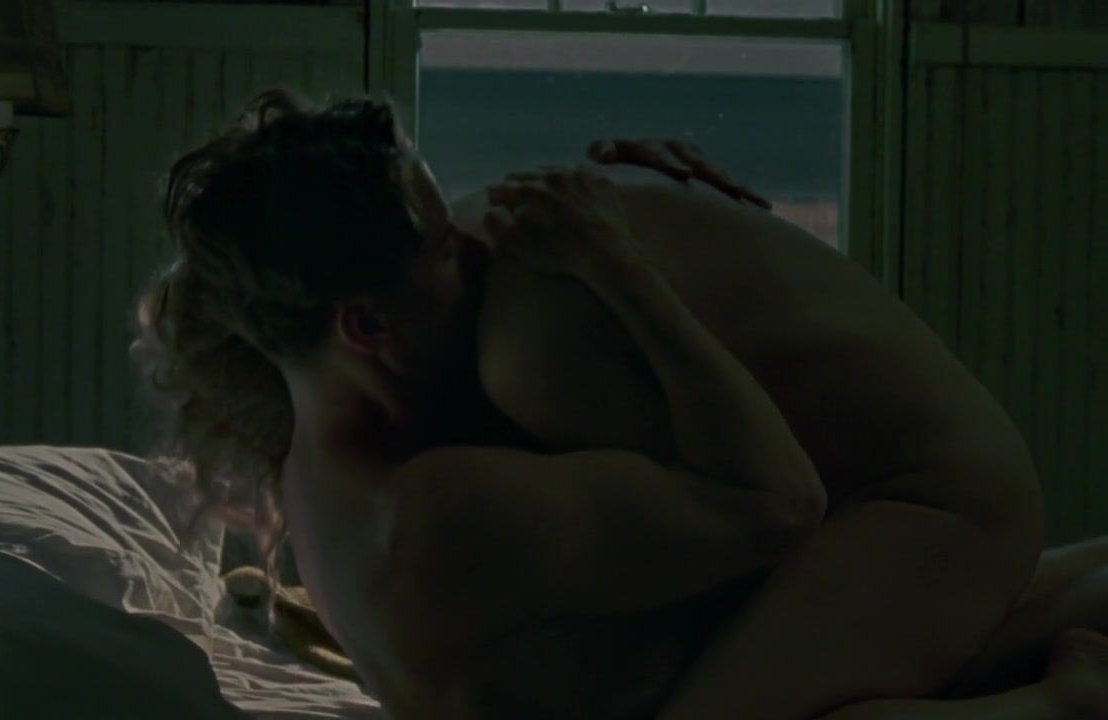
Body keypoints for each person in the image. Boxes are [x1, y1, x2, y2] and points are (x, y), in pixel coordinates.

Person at [135, 88, 1108, 719]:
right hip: (877, 502)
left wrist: (627, 270)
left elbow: (779, 508)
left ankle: (1063, 702)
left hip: (921, 501)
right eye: (439, 246)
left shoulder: (467, 381)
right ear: (363, 328)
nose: (470, 238)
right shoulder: (407, 504)